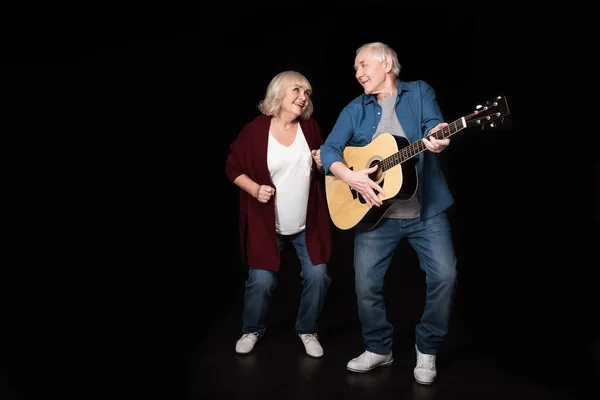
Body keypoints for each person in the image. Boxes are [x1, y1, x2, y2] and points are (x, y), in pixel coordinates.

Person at [319, 42, 457, 384]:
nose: (358, 73)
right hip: (374, 215)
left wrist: (438, 136)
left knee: (445, 276)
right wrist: (350, 175)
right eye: (355, 69)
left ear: (386, 63)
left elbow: (433, 124)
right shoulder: (355, 108)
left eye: (362, 65)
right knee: (366, 285)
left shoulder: (419, 91)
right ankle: (379, 348)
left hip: (426, 210)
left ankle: (427, 350)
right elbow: (329, 149)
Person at [224, 70, 332, 358]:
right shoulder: (255, 130)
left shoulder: (310, 129)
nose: (303, 97)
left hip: (305, 224)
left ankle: (307, 329)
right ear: (279, 94)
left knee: (318, 275)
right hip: (266, 224)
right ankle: (251, 329)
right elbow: (232, 168)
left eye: (307, 93)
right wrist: (254, 189)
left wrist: (322, 165)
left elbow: (321, 171)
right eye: (297, 90)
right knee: (261, 281)